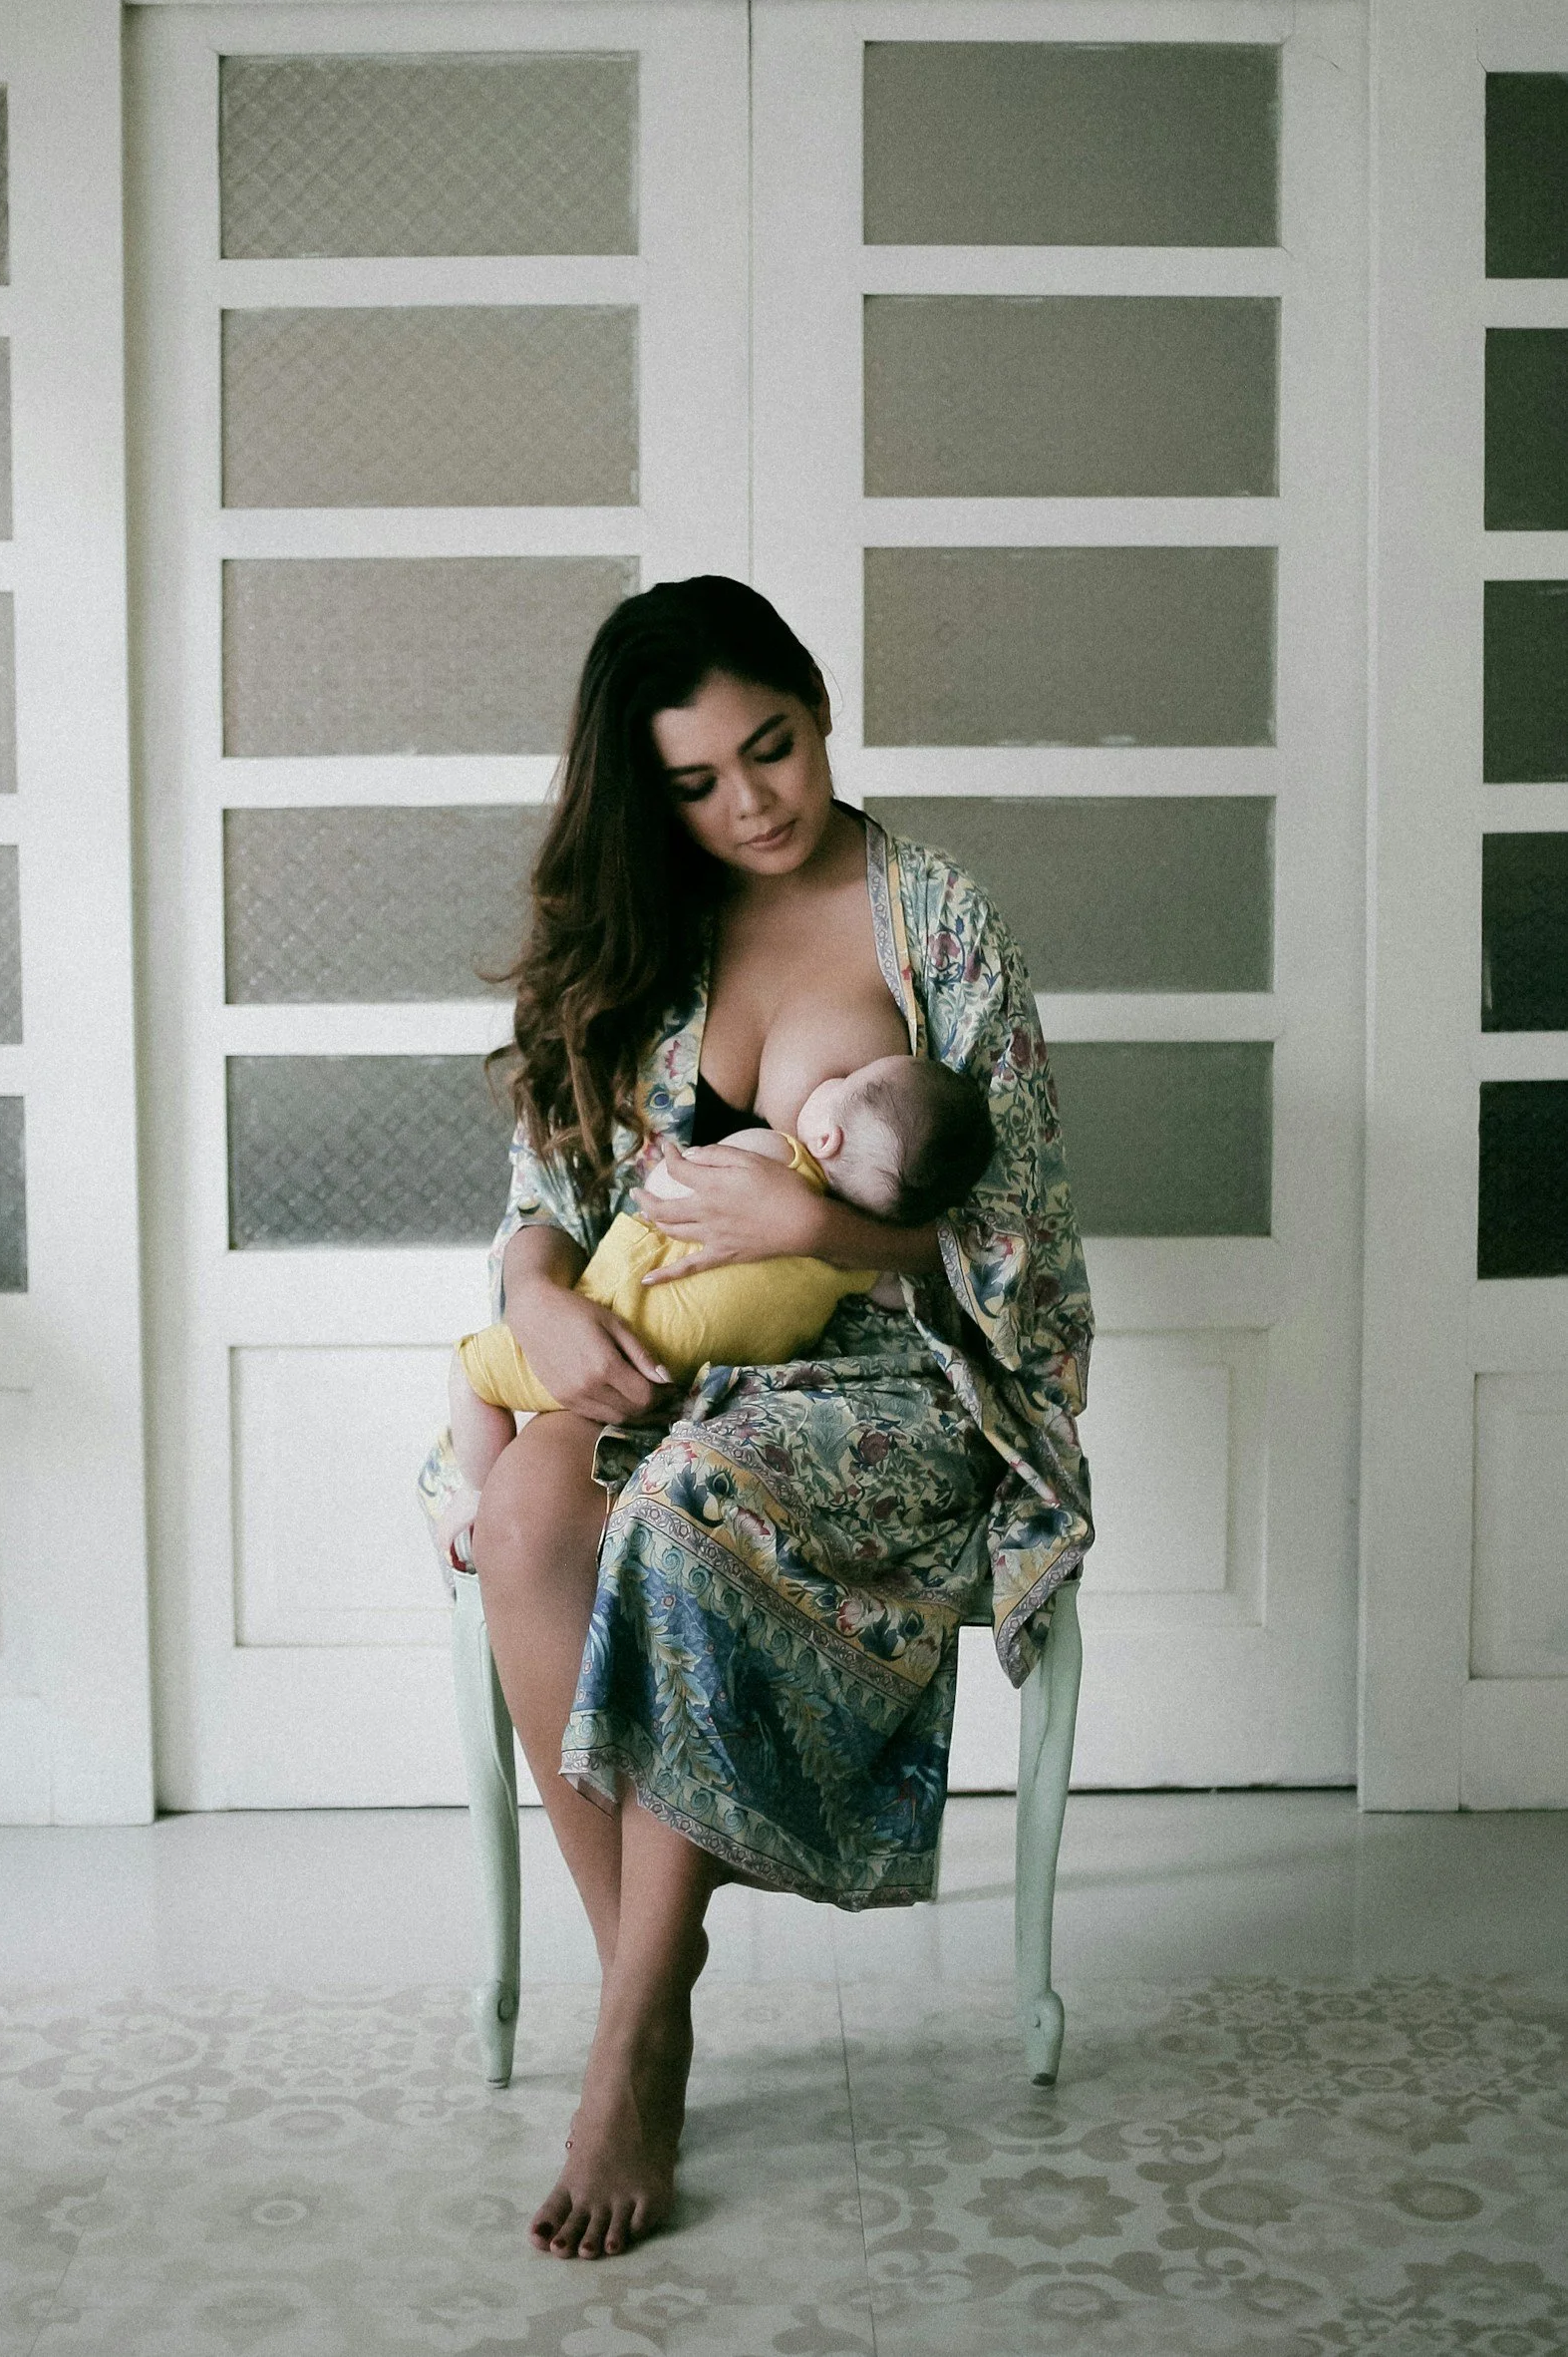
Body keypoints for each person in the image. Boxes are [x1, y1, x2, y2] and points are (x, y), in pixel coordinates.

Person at [467, 576, 1094, 2261]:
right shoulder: (638, 922)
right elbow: (542, 1192)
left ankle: (628, 2048)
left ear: (817, 707)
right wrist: (538, 1297)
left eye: (772, 748)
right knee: (527, 1513)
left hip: (888, 1378)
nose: (750, 804)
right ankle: (649, 1976)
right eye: (695, 781)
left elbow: (1022, 1247)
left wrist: (811, 1225)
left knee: (682, 1504)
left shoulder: (930, 917)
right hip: (651, 1341)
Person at [417, 1050, 996, 1575]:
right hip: (693, 1384)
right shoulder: (856, 1266)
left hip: (621, 1317)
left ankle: (480, 1494)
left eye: (843, 1083)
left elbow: (671, 1184)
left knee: (470, 1372)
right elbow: (913, 1283)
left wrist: (674, 1174)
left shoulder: (778, 1155)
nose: (831, 1077)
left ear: (826, 1138)